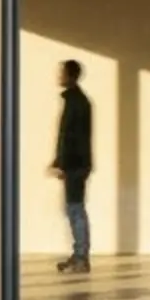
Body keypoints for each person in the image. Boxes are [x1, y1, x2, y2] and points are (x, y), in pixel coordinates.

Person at [49, 58, 93, 273]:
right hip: (75, 164)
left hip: (76, 165)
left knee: (76, 210)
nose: (58, 76)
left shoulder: (78, 102)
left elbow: (73, 137)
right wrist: (59, 162)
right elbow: (67, 136)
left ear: (70, 75)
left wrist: (64, 164)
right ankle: (79, 256)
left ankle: (81, 258)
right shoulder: (74, 100)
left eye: (61, 72)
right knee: (74, 209)